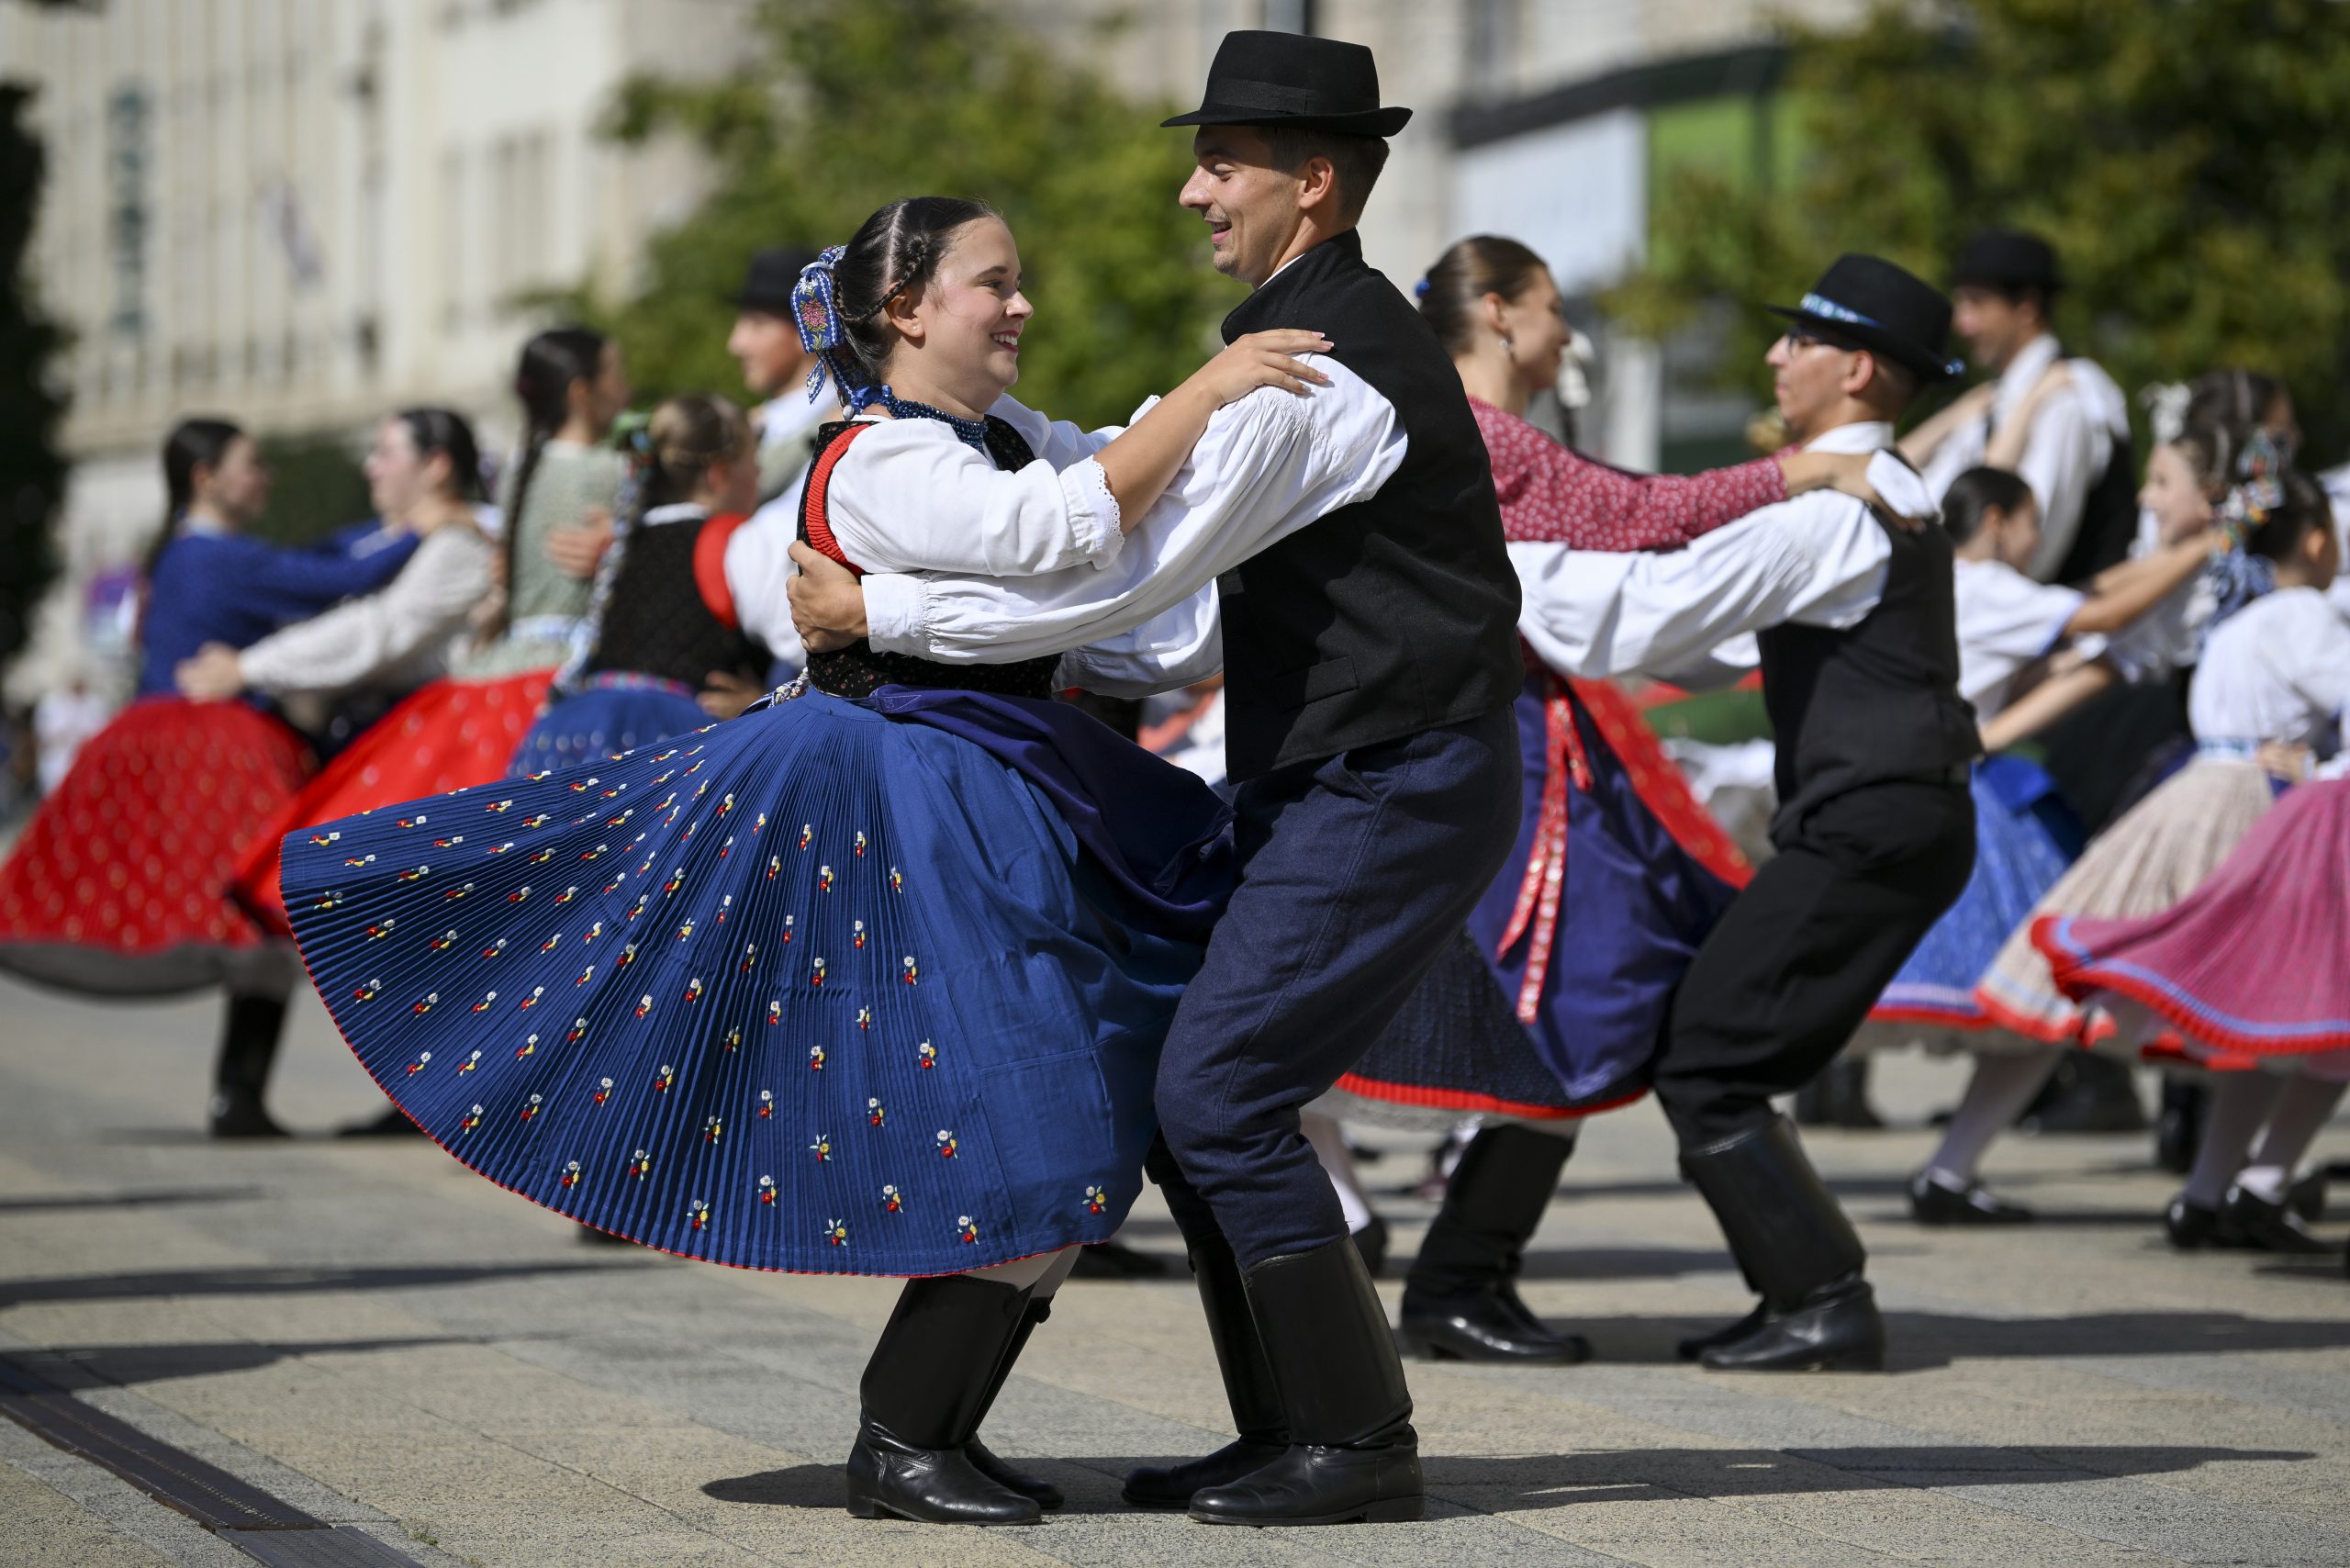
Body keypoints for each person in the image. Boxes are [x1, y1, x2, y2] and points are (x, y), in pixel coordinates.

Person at [277, 196, 1363, 1528]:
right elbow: (1060, 533)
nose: (1020, 306)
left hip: (998, 795)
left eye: (1018, 283)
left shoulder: (1000, 435)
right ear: (905, 311)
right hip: (909, 806)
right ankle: (905, 1440)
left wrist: (1245, 420)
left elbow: (1108, 516)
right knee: (1045, 1116)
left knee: (1087, 1111)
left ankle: (927, 1435)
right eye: (993, 284)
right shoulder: (879, 455)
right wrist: (1210, 386)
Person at [788, 34, 1528, 1525]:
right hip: (1315, 779)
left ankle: (1351, 1436)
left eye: (1223, 163)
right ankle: (1289, 1427)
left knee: (1206, 1089)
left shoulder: (1314, 372)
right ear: (901, 310)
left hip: (1392, 774)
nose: (1194, 187)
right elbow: (1133, 558)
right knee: (1163, 1089)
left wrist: (878, 617)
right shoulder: (1262, 357)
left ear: (1310, 184)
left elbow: (1115, 575)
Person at [1323, 232, 1899, 1365]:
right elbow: (1638, 511)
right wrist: (1805, 469)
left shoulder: (1481, 434)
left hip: (1538, 750)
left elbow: (1625, 512)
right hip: (1524, 763)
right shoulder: (1481, 437)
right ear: (1496, 313)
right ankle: (1454, 1278)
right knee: (1578, 996)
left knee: (1589, 999)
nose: (1566, 332)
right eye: (1550, 306)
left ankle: (1459, 1274)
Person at [1507, 253, 1980, 1372]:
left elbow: (1657, 617)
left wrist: (1489, 554)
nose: (1773, 356)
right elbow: (1716, 628)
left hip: (1875, 819)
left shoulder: (1839, 503)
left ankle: (1823, 1296)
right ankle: (1807, 1294)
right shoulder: (1866, 489)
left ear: (1856, 367)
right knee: (1710, 1041)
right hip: (1882, 816)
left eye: (1797, 339)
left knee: (1711, 1054)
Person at [0, 416, 442, 1136]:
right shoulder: (215, 556)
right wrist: (432, 528)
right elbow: (338, 577)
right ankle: (240, 1094)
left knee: (243, 921)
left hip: (153, 736)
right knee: (268, 911)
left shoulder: (188, 552)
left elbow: (314, 560)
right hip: (220, 746)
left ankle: (239, 1097)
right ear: (205, 478)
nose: (264, 476)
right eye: (252, 463)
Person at [1969, 465, 2344, 1237]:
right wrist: (2322, 767)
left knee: (2268, 1014)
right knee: (2310, 1009)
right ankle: (2257, 1182)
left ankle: (2220, 1189)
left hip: (2201, 787)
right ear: (2316, 540)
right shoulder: (2308, 617)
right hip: (2271, 806)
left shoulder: (2239, 623)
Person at [1857, 464, 2216, 1222]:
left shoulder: (1941, 581)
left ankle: (1951, 1168)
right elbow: (2100, 609)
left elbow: (2090, 606)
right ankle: (1949, 1167)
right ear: (1995, 521)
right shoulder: (1985, 587)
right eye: (2030, 522)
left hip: (1939, 780)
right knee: (2048, 980)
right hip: (1967, 796)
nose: (2038, 539)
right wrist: (2211, 542)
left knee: (2036, 993)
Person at [2039, 772, 2350, 1258]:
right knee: (2328, 1023)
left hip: (2304, 816)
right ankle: (2255, 1186)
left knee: (2286, 1019)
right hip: (2313, 816)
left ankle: (2210, 1195)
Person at [509, 394, 780, 772]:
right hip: (675, 733)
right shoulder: (735, 541)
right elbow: (798, 642)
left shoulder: (623, 541)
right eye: (753, 463)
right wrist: (772, 700)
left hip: (579, 724)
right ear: (718, 474)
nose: (758, 475)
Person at [1908, 230, 2136, 584]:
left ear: (2026, 307)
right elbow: (1924, 500)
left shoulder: (2068, 397)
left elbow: (2026, 554)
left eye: (1976, 303)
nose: (1961, 323)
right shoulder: (1995, 397)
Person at [729, 247, 837, 507]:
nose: (735, 344)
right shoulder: (756, 423)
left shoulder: (849, 419)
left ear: (807, 330)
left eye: (757, 324)